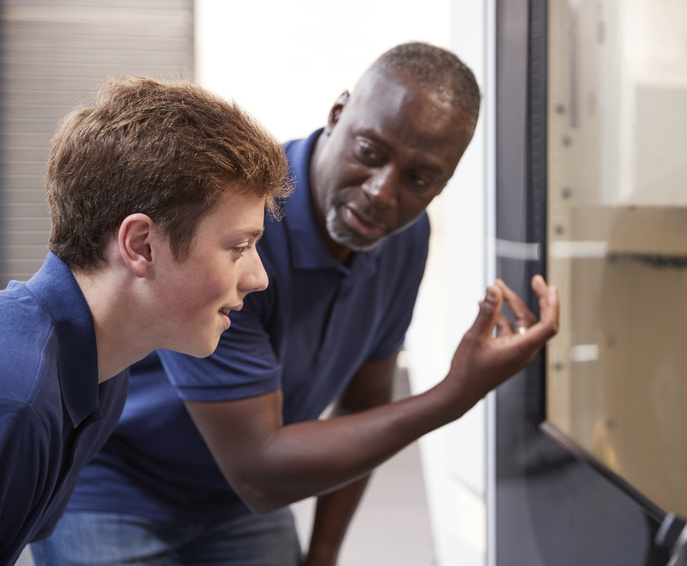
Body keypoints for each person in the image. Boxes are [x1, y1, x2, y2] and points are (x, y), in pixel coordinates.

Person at [32, 42, 559, 566]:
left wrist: (324, 553)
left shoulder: (402, 237)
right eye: (370, 152)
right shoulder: (236, 217)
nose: (381, 191)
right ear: (337, 114)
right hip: (117, 488)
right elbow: (259, 470)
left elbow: (366, 401)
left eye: (419, 178)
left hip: (238, 502)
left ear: (444, 183)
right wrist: (454, 394)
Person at [0, 75, 290, 565]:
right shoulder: (19, 398)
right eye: (238, 248)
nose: (258, 277)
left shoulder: (101, 369)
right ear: (140, 245)